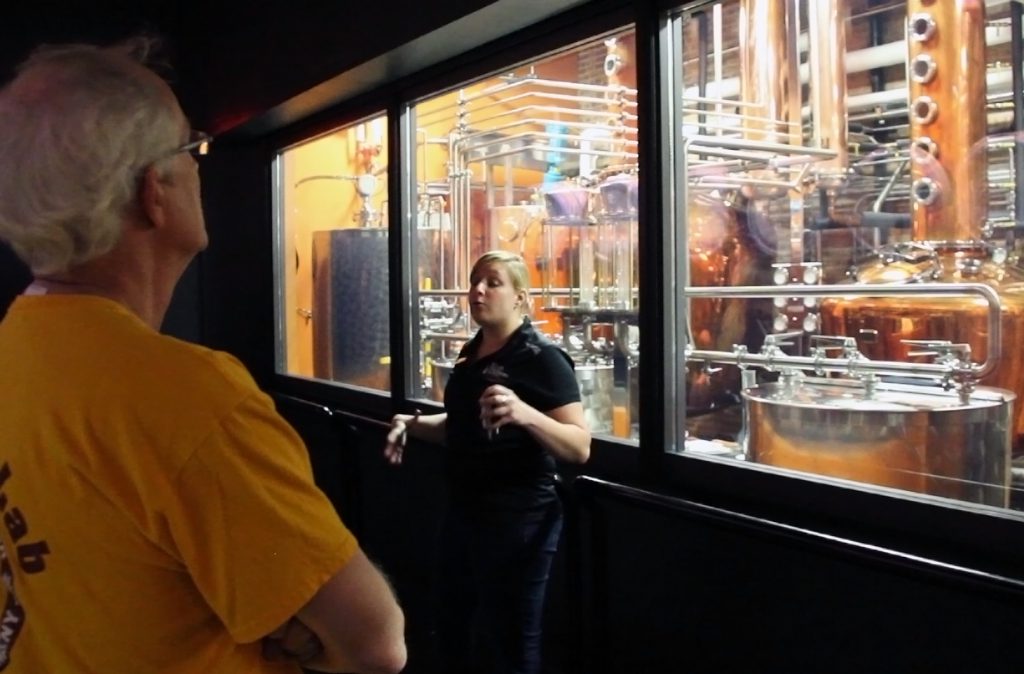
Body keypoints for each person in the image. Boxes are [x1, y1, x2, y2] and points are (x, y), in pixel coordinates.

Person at [0, 37, 405, 674]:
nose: (201, 167)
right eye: (193, 149)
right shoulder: (187, 397)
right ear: (152, 192)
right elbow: (375, 644)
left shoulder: (14, 350)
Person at [383, 250, 591, 674]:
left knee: (512, 639)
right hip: (465, 510)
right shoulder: (471, 352)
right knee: (452, 624)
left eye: (493, 282)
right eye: (475, 281)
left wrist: (525, 413)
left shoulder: (541, 358)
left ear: (520, 297)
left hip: (520, 520)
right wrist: (411, 423)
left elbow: (579, 446)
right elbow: (461, 425)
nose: (478, 290)